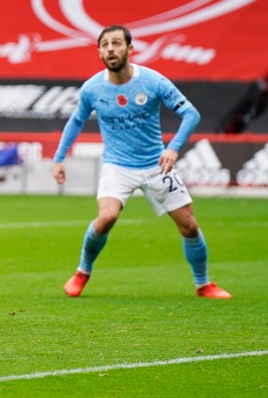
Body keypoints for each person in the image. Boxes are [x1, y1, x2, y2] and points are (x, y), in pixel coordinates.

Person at [52, 25, 231, 300]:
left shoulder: (152, 81)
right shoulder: (92, 88)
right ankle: (82, 272)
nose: (110, 48)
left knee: (189, 226)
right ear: (99, 51)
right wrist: (59, 158)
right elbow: (76, 121)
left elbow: (191, 114)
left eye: (116, 43)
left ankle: (204, 284)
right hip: (117, 166)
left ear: (130, 49)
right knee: (106, 217)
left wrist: (172, 149)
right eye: (105, 44)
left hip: (155, 163)